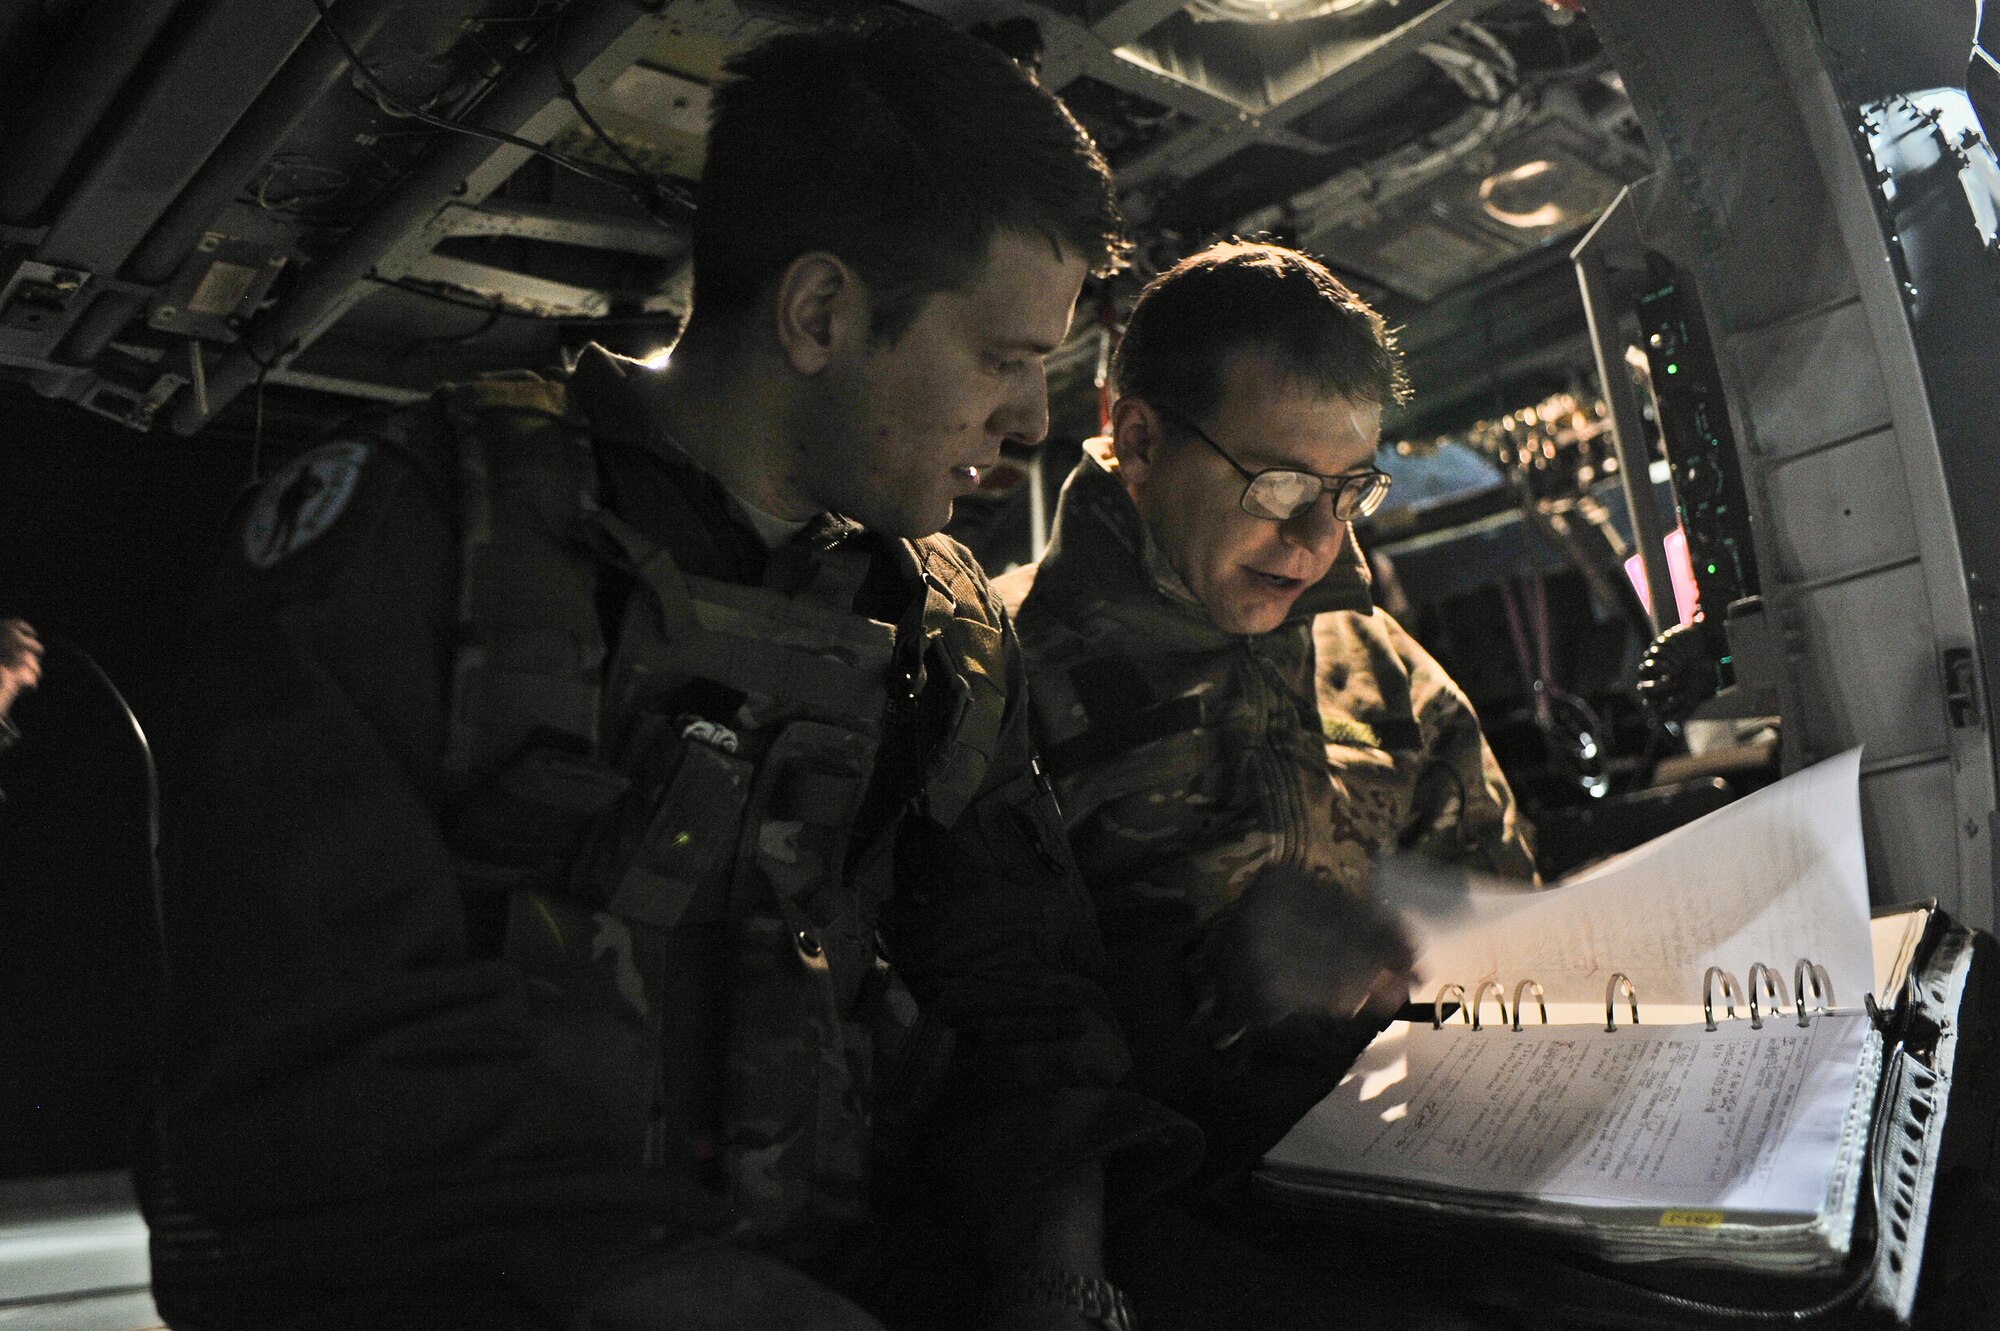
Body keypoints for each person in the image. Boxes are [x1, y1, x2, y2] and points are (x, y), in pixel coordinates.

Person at [140, 19, 1195, 1331]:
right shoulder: (410, 530)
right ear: (821, 312)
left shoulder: (946, 624)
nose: (1034, 422)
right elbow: (308, 1044)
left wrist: (1055, 1268)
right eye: (1006, 359)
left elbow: (1027, 995)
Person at [997, 242, 1537, 1185]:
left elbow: (1508, 935)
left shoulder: (1389, 677)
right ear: (1140, 442)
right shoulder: (998, 675)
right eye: (1280, 484)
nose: (1318, 538)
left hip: (1417, 1189)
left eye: (1349, 491)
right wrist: (1209, 987)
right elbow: (964, 1051)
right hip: (1160, 1239)